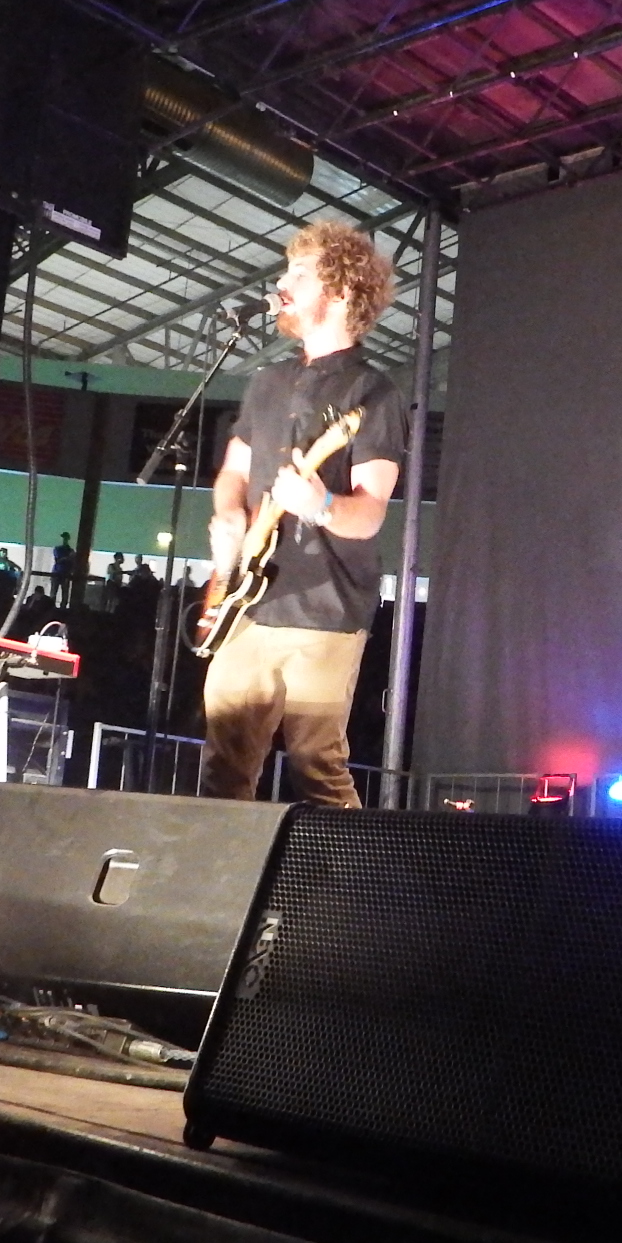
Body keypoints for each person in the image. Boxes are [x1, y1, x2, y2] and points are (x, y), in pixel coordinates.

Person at [198, 220, 406, 806]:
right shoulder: (267, 382)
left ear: (340, 292)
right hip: (246, 604)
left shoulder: (373, 395)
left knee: (317, 767)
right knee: (224, 764)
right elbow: (234, 472)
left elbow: (370, 515)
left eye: (299, 273)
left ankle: (343, 869)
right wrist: (228, 517)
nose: (281, 284)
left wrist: (320, 504)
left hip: (326, 607)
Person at [50, 532, 76, 606]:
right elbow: (58, 560)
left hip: (65, 573)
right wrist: (68, 557)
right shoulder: (58, 549)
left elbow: (72, 563)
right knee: (54, 592)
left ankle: (63, 607)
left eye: (65, 538)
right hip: (57, 573)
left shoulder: (70, 550)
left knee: (64, 593)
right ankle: (51, 606)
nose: (64, 540)